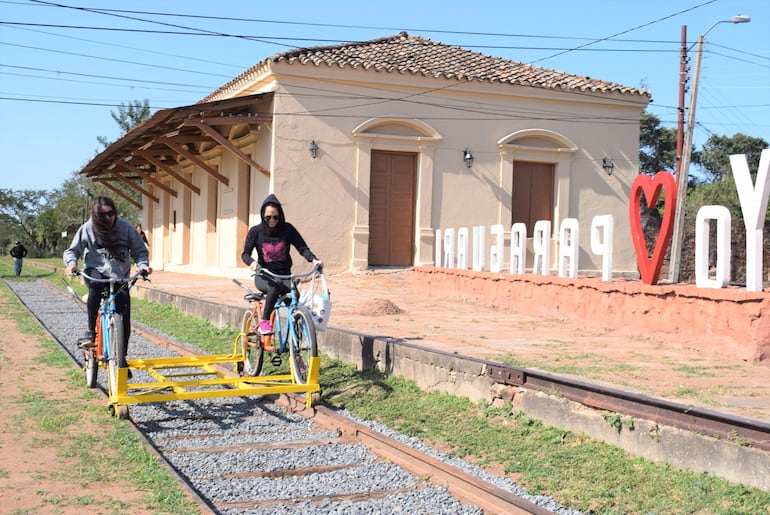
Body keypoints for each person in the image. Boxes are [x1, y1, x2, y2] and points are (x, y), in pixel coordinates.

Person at [63, 196, 152, 372]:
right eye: (103, 215)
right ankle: (90, 331)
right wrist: (71, 264)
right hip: (96, 272)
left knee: (124, 316)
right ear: (95, 215)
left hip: (119, 276)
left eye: (111, 213)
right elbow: (72, 251)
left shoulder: (125, 228)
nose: (108, 218)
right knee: (96, 289)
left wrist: (143, 265)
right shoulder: (88, 228)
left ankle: (121, 358)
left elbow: (140, 251)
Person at [241, 194, 322, 335]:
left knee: (296, 300)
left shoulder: (288, 229)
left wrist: (314, 260)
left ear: (280, 215)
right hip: (264, 276)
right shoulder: (255, 232)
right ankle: (264, 322)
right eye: (268, 217)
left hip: (285, 275)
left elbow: (302, 248)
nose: (272, 220)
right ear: (263, 216)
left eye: (275, 217)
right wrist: (252, 262)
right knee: (274, 287)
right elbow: (245, 254)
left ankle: (296, 343)